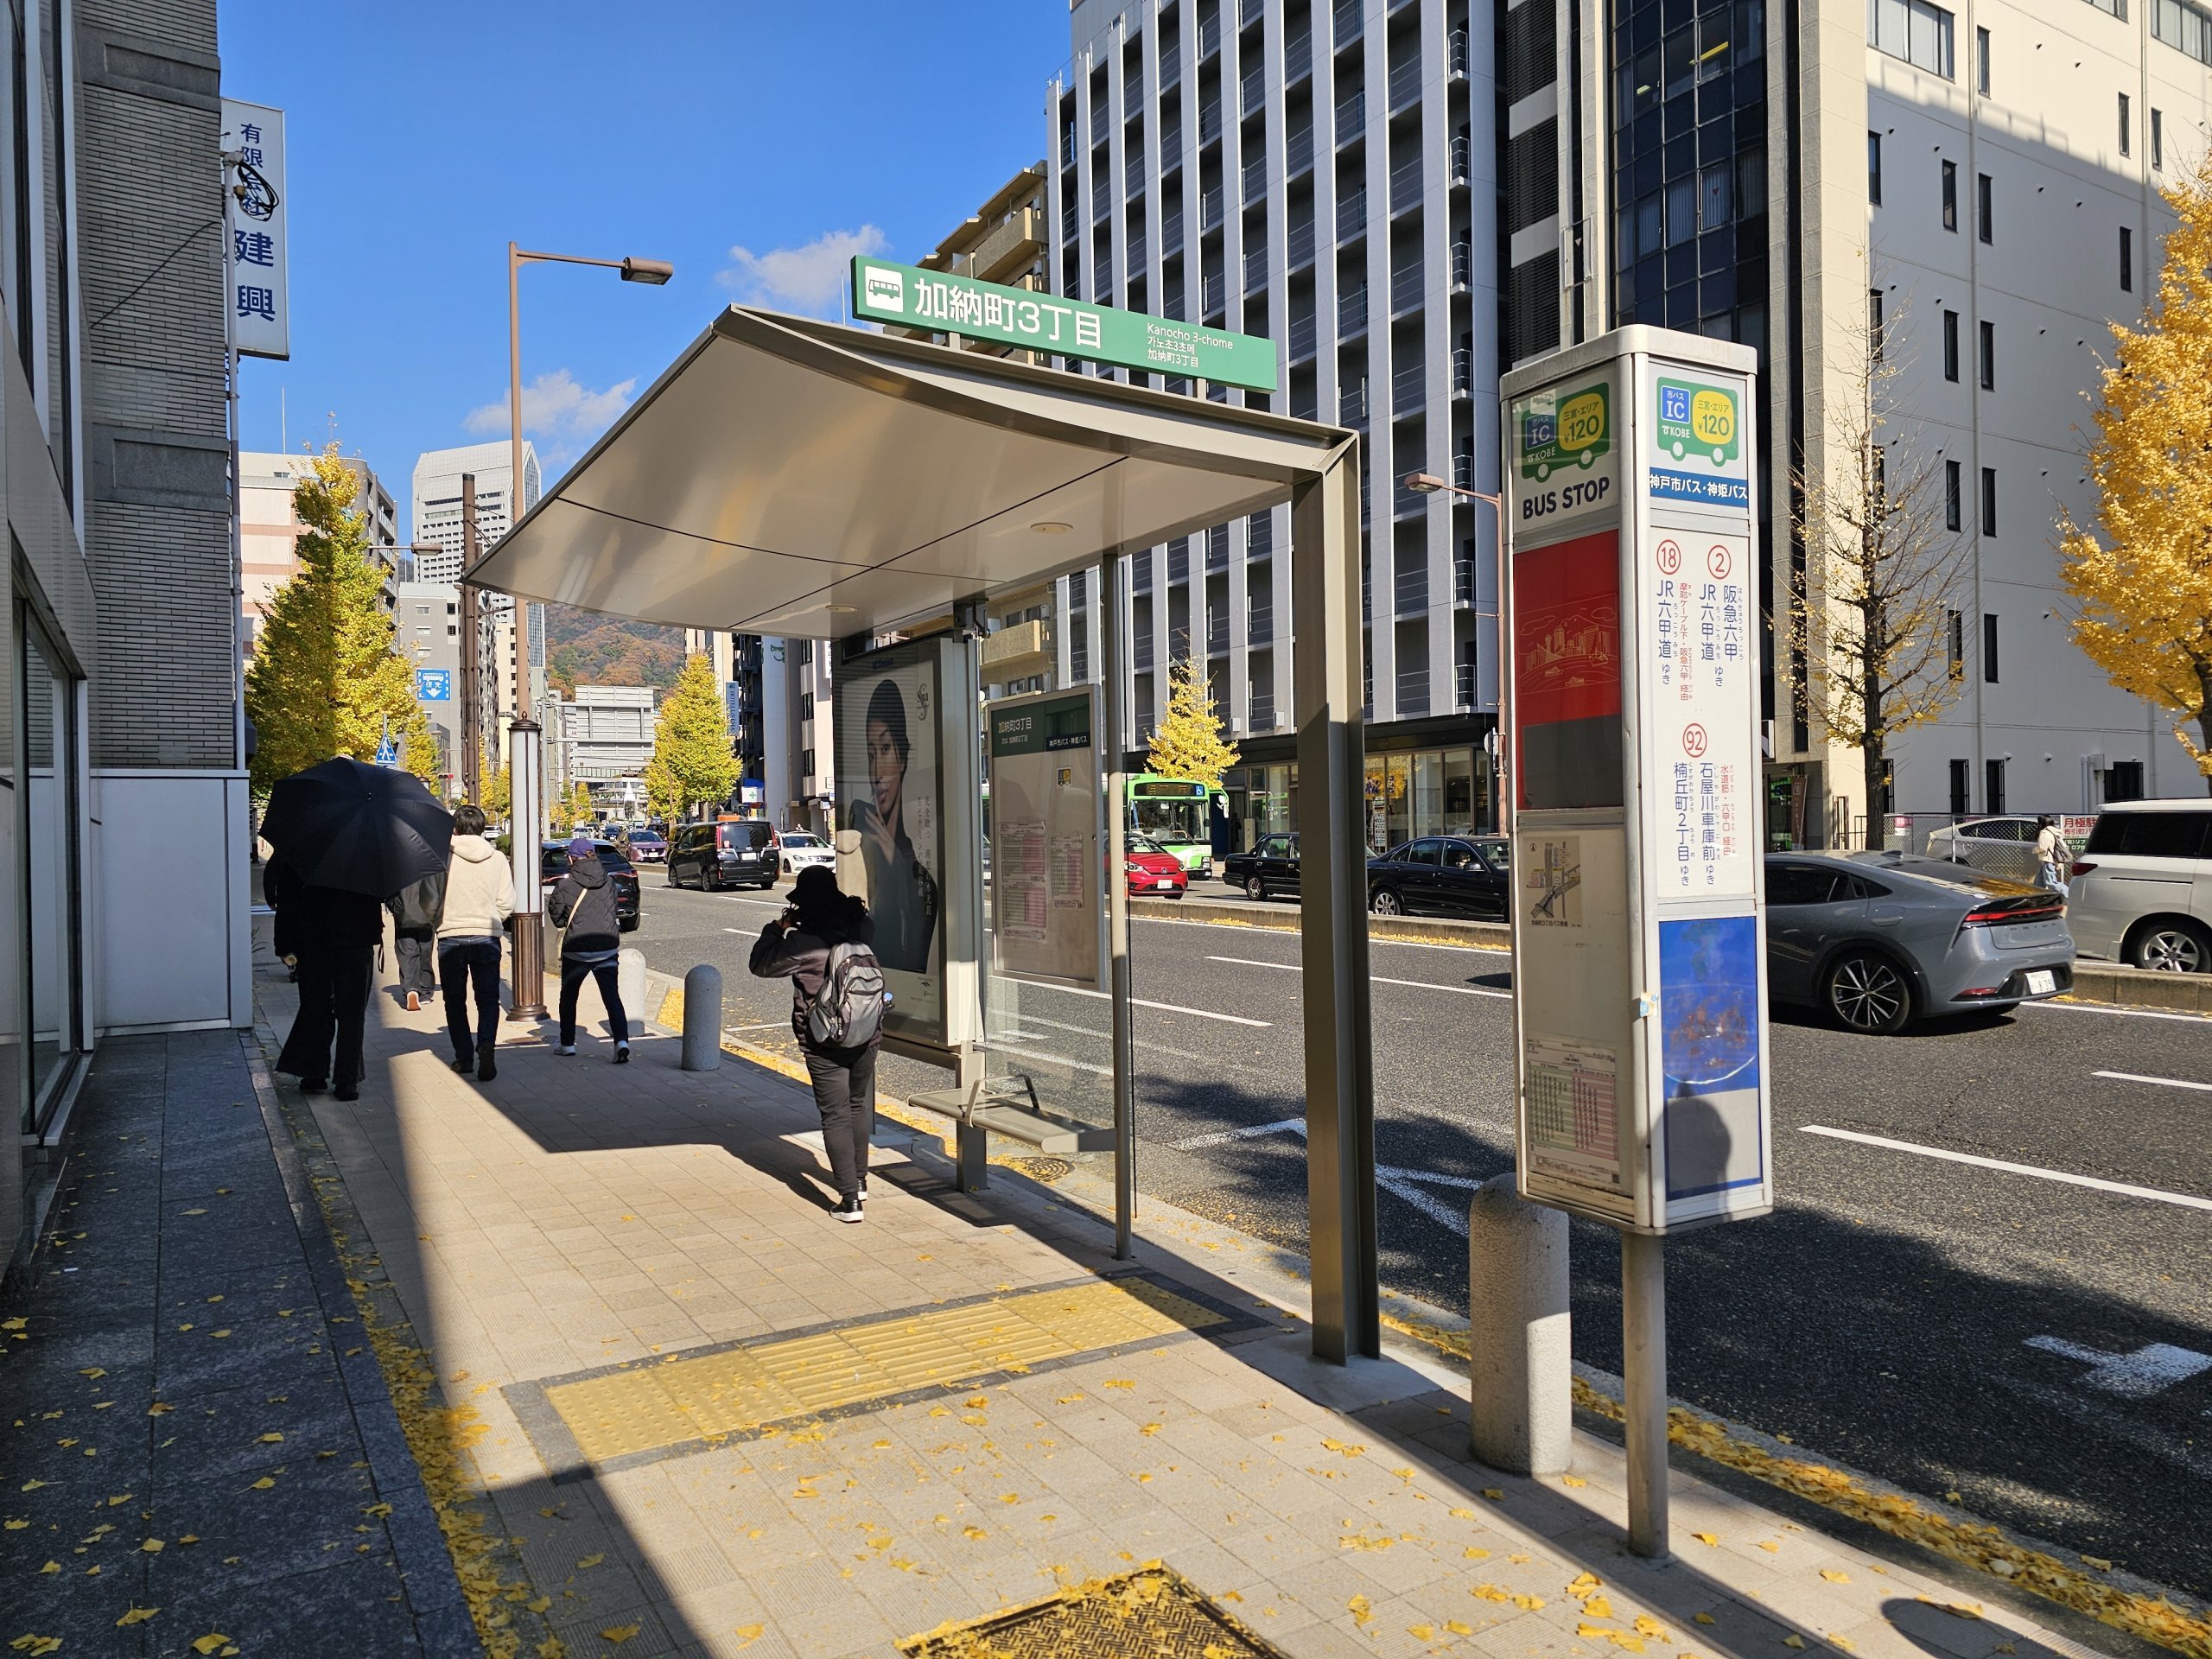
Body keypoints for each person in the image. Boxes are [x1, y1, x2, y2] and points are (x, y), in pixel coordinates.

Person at [750, 866, 882, 1223]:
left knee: (835, 1114)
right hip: (867, 1030)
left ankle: (849, 1201)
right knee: (856, 1105)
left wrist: (777, 928)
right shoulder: (861, 928)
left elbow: (760, 964)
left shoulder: (802, 943)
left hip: (823, 1039)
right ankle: (860, 1181)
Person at [268, 850, 383, 1102]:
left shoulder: (302, 850)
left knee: (316, 1008)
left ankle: (314, 1073)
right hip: (356, 939)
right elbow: (380, 892)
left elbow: (287, 899)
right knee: (352, 1014)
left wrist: (284, 945)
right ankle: (347, 1080)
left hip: (313, 940)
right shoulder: (366, 851)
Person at [845, 677, 937, 971]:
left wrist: (896, 863)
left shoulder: (922, 880)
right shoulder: (861, 838)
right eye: (871, 754)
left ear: (903, 756)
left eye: (885, 748)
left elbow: (915, 961)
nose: (877, 771)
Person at [436, 804, 514, 1081]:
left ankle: (464, 1056)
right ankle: (487, 1044)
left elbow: (431, 897)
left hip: (451, 936)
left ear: (455, 829)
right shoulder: (497, 859)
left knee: (454, 1000)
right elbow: (507, 902)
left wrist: (437, 919)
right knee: (488, 998)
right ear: (482, 828)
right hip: (486, 936)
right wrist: (492, 918)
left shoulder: (443, 856)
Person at [549, 834, 630, 1062]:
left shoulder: (565, 884)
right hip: (607, 947)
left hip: (577, 949)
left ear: (572, 859)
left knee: (569, 997)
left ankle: (567, 1044)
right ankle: (621, 1042)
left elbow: (557, 917)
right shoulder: (608, 881)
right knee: (612, 997)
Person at [385, 868, 445, 1011]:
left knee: (407, 952)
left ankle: (411, 989)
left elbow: (388, 888)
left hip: (404, 913)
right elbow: (442, 885)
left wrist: (394, 907)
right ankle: (425, 990)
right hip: (428, 913)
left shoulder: (398, 862)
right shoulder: (434, 862)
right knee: (426, 952)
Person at [2034, 814, 2070, 897]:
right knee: (2039, 883)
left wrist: (2035, 850)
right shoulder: (2055, 832)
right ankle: (2037, 897)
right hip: (2051, 860)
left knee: (2051, 883)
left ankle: (2069, 894)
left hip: (2048, 860)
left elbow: (2042, 847)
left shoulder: (2044, 833)